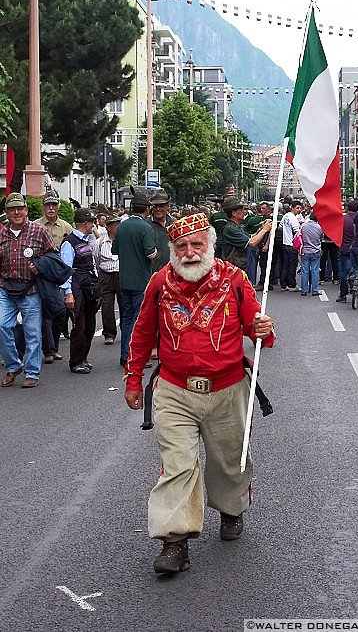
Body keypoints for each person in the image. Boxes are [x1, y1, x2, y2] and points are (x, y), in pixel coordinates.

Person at [123, 212, 276, 575]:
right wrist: (133, 379)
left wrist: (264, 329)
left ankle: (231, 508)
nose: (190, 252)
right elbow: (143, 333)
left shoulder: (235, 279)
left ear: (210, 245)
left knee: (228, 461)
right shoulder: (159, 282)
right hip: (175, 389)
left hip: (228, 388)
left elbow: (261, 335)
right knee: (177, 465)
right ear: (172, 250)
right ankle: (175, 542)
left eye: (196, 244)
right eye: (182, 246)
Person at [0, 193, 56, 388]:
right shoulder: (2, 234)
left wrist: (40, 266)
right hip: (6, 289)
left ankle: (32, 372)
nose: (17, 212)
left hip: (31, 289)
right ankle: (14, 365)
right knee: (2, 326)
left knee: (32, 333)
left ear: (26, 210)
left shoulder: (39, 231)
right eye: (12, 209)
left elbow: (54, 257)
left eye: (20, 208)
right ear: (6, 212)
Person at [111, 190, 157, 366]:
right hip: (141, 280)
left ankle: (125, 354)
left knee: (127, 318)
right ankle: (135, 357)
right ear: (146, 209)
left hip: (124, 279)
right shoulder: (146, 228)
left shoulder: (122, 226)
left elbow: (114, 250)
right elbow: (151, 254)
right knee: (139, 321)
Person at [60, 208, 101, 373]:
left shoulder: (86, 240)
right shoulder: (69, 243)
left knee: (90, 325)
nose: (93, 225)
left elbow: (91, 264)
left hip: (88, 288)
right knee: (80, 325)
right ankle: (75, 361)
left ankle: (83, 357)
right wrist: (68, 293)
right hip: (76, 289)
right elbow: (66, 270)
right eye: (92, 222)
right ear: (85, 223)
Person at [34, 190, 72, 363]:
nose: (51, 208)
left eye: (54, 205)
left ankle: (53, 347)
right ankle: (48, 350)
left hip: (58, 274)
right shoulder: (35, 226)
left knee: (60, 312)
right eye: (48, 205)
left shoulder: (66, 227)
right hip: (41, 275)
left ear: (57, 207)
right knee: (45, 314)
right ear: (43, 207)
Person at [221, 196, 272, 273]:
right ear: (234, 213)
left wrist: (261, 228)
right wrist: (264, 230)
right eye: (241, 210)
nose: (244, 212)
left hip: (239, 266)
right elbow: (252, 242)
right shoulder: (230, 229)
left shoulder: (236, 227)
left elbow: (250, 237)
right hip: (233, 269)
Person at [94, 212, 123, 345]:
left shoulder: (124, 240)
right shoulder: (100, 242)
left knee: (124, 304)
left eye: (119, 224)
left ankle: (126, 330)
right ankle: (109, 333)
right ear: (109, 227)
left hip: (121, 274)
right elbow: (96, 259)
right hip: (106, 275)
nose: (118, 227)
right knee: (107, 305)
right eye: (116, 225)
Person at [336, 199, 358, 302]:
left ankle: (343, 294)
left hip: (344, 247)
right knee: (357, 270)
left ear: (347, 208)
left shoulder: (343, 219)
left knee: (344, 272)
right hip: (357, 248)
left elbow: (338, 232)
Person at [148, 188, 173, 272]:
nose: (158, 209)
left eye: (161, 206)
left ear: (167, 207)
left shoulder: (175, 223)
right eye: (155, 206)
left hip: (173, 271)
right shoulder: (146, 225)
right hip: (153, 273)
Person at [280, 200, 302, 291]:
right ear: (292, 208)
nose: (299, 210)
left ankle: (283, 284)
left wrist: (286, 234)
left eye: (300, 208)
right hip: (292, 245)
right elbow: (296, 232)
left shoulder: (285, 216)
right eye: (297, 208)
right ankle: (292, 284)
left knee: (285, 265)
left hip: (285, 243)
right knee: (292, 265)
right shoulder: (293, 218)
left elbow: (280, 227)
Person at [300, 211, 322, 296]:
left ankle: (304, 290)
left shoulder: (303, 226)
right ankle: (315, 290)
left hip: (305, 250)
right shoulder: (319, 227)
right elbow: (320, 238)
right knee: (315, 271)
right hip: (315, 251)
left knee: (304, 271)